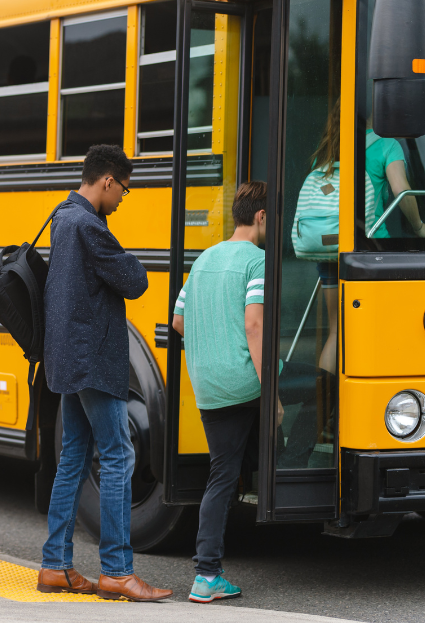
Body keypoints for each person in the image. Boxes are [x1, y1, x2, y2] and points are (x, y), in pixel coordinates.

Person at [40, 145, 170, 601]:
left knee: (74, 458)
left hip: (67, 360)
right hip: (93, 361)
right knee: (118, 457)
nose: (121, 201)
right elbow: (136, 280)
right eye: (123, 192)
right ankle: (116, 570)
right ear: (108, 181)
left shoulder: (62, 218)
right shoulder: (89, 226)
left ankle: (55, 565)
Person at [171, 181, 282, 602]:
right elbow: (254, 327)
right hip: (243, 381)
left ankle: (208, 573)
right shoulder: (258, 261)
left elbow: (179, 323)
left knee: (222, 472)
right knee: (313, 388)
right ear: (261, 217)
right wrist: (271, 394)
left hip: (208, 382)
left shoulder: (205, 259)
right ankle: (207, 573)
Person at [309, 99, 425, 373]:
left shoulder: (327, 151)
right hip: (374, 249)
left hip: (332, 250)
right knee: (385, 333)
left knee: (336, 333)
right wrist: (419, 226)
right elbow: (402, 191)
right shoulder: (388, 145)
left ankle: (329, 404)